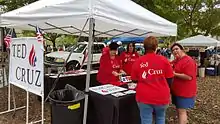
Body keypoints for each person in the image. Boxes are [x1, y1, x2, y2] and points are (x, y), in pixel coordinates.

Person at [131, 36, 174, 124]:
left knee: (146, 120)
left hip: (144, 96)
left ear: (144, 47)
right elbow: (170, 79)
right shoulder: (164, 60)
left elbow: (134, 79)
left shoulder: (138, 61)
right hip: (161, 96)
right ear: (156, 47)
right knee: (160, 118)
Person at [170, 43, 197, 124]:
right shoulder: (177, 60)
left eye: (176, 49)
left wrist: (174, 74)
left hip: (184, 92)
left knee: (182, 111)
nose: (175, 51)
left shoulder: (188, 60)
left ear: (182, 49)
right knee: (179, 110)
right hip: (176, 91)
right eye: (173, 50)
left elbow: (189, 77)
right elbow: (168, 64)